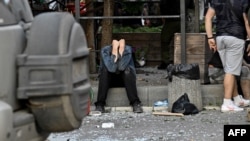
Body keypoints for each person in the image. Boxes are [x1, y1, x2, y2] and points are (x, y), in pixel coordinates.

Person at [205, 0, 250, 112]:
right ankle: (227, 103)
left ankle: (237, 100)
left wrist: (210, 38)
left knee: (229, 70)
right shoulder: (243, 2)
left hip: (221, 38)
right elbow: (246, 22)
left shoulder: (216, 1)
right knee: (231, 71)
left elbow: (208, 18)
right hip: (236, 37)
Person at [94, 39, 143, 113]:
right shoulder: (105, 51)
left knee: (127, 70)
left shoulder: (127, 50)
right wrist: (114, 53)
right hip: (108, 81)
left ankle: (135, 103)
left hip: (125, 81)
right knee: (105, 71)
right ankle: (100, 104)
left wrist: (121, 51)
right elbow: (111, 68)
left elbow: (121, 67)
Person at [158, 0, 195, 70]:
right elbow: (191, 7)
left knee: (165, 40)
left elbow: (162, 5)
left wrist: (164, 15)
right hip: (183, 19)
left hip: (171, 19)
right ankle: (184, 61)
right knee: (184, 41)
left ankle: (166, 62)